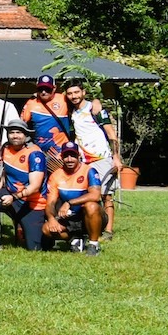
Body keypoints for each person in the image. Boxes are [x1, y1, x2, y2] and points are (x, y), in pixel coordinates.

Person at [0, 120, 48, 252]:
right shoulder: (5, 148)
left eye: (18, 132)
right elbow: (5, 171)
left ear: (26, 135)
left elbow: (35, 186)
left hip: (31, 203)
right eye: (11, 132)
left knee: (34, 248)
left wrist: (13, 197)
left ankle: (46, 234)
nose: (15, 136)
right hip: (9, 195)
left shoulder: (35, 154)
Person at [62, 74, 119, 238]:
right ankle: (92, 226)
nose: (74, 96)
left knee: (106, 194)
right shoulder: (73, 112)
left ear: (83, 92)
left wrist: (116, 156)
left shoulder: (95, 109)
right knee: (88, 196)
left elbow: (111, 133)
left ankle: (108, 230)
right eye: (70, 93)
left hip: (101, 158)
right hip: (84, 162)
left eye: (76, 92)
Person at [43, 143, 105, 255]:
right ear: (62, 157)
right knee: (46, 229)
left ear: (79, 156)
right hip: (70, 219)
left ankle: (93, 245)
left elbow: (95, 195)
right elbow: (50, 203)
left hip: (90, 216)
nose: (69, 159)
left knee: (91, 205)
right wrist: (51, 218)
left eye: (73, 156)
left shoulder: (89, 171)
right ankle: (75, 241)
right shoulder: (56, 175)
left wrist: (69, 203)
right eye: (66, 156)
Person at [22, 74, 73, 156]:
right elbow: (21, 126)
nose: (43, 92)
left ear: (54, 88)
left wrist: (96, 101)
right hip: (39, 152)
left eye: (47, 89)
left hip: (61, 152)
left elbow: (81, 104)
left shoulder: (64, 99)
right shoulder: (31, 103)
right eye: (40, 89)